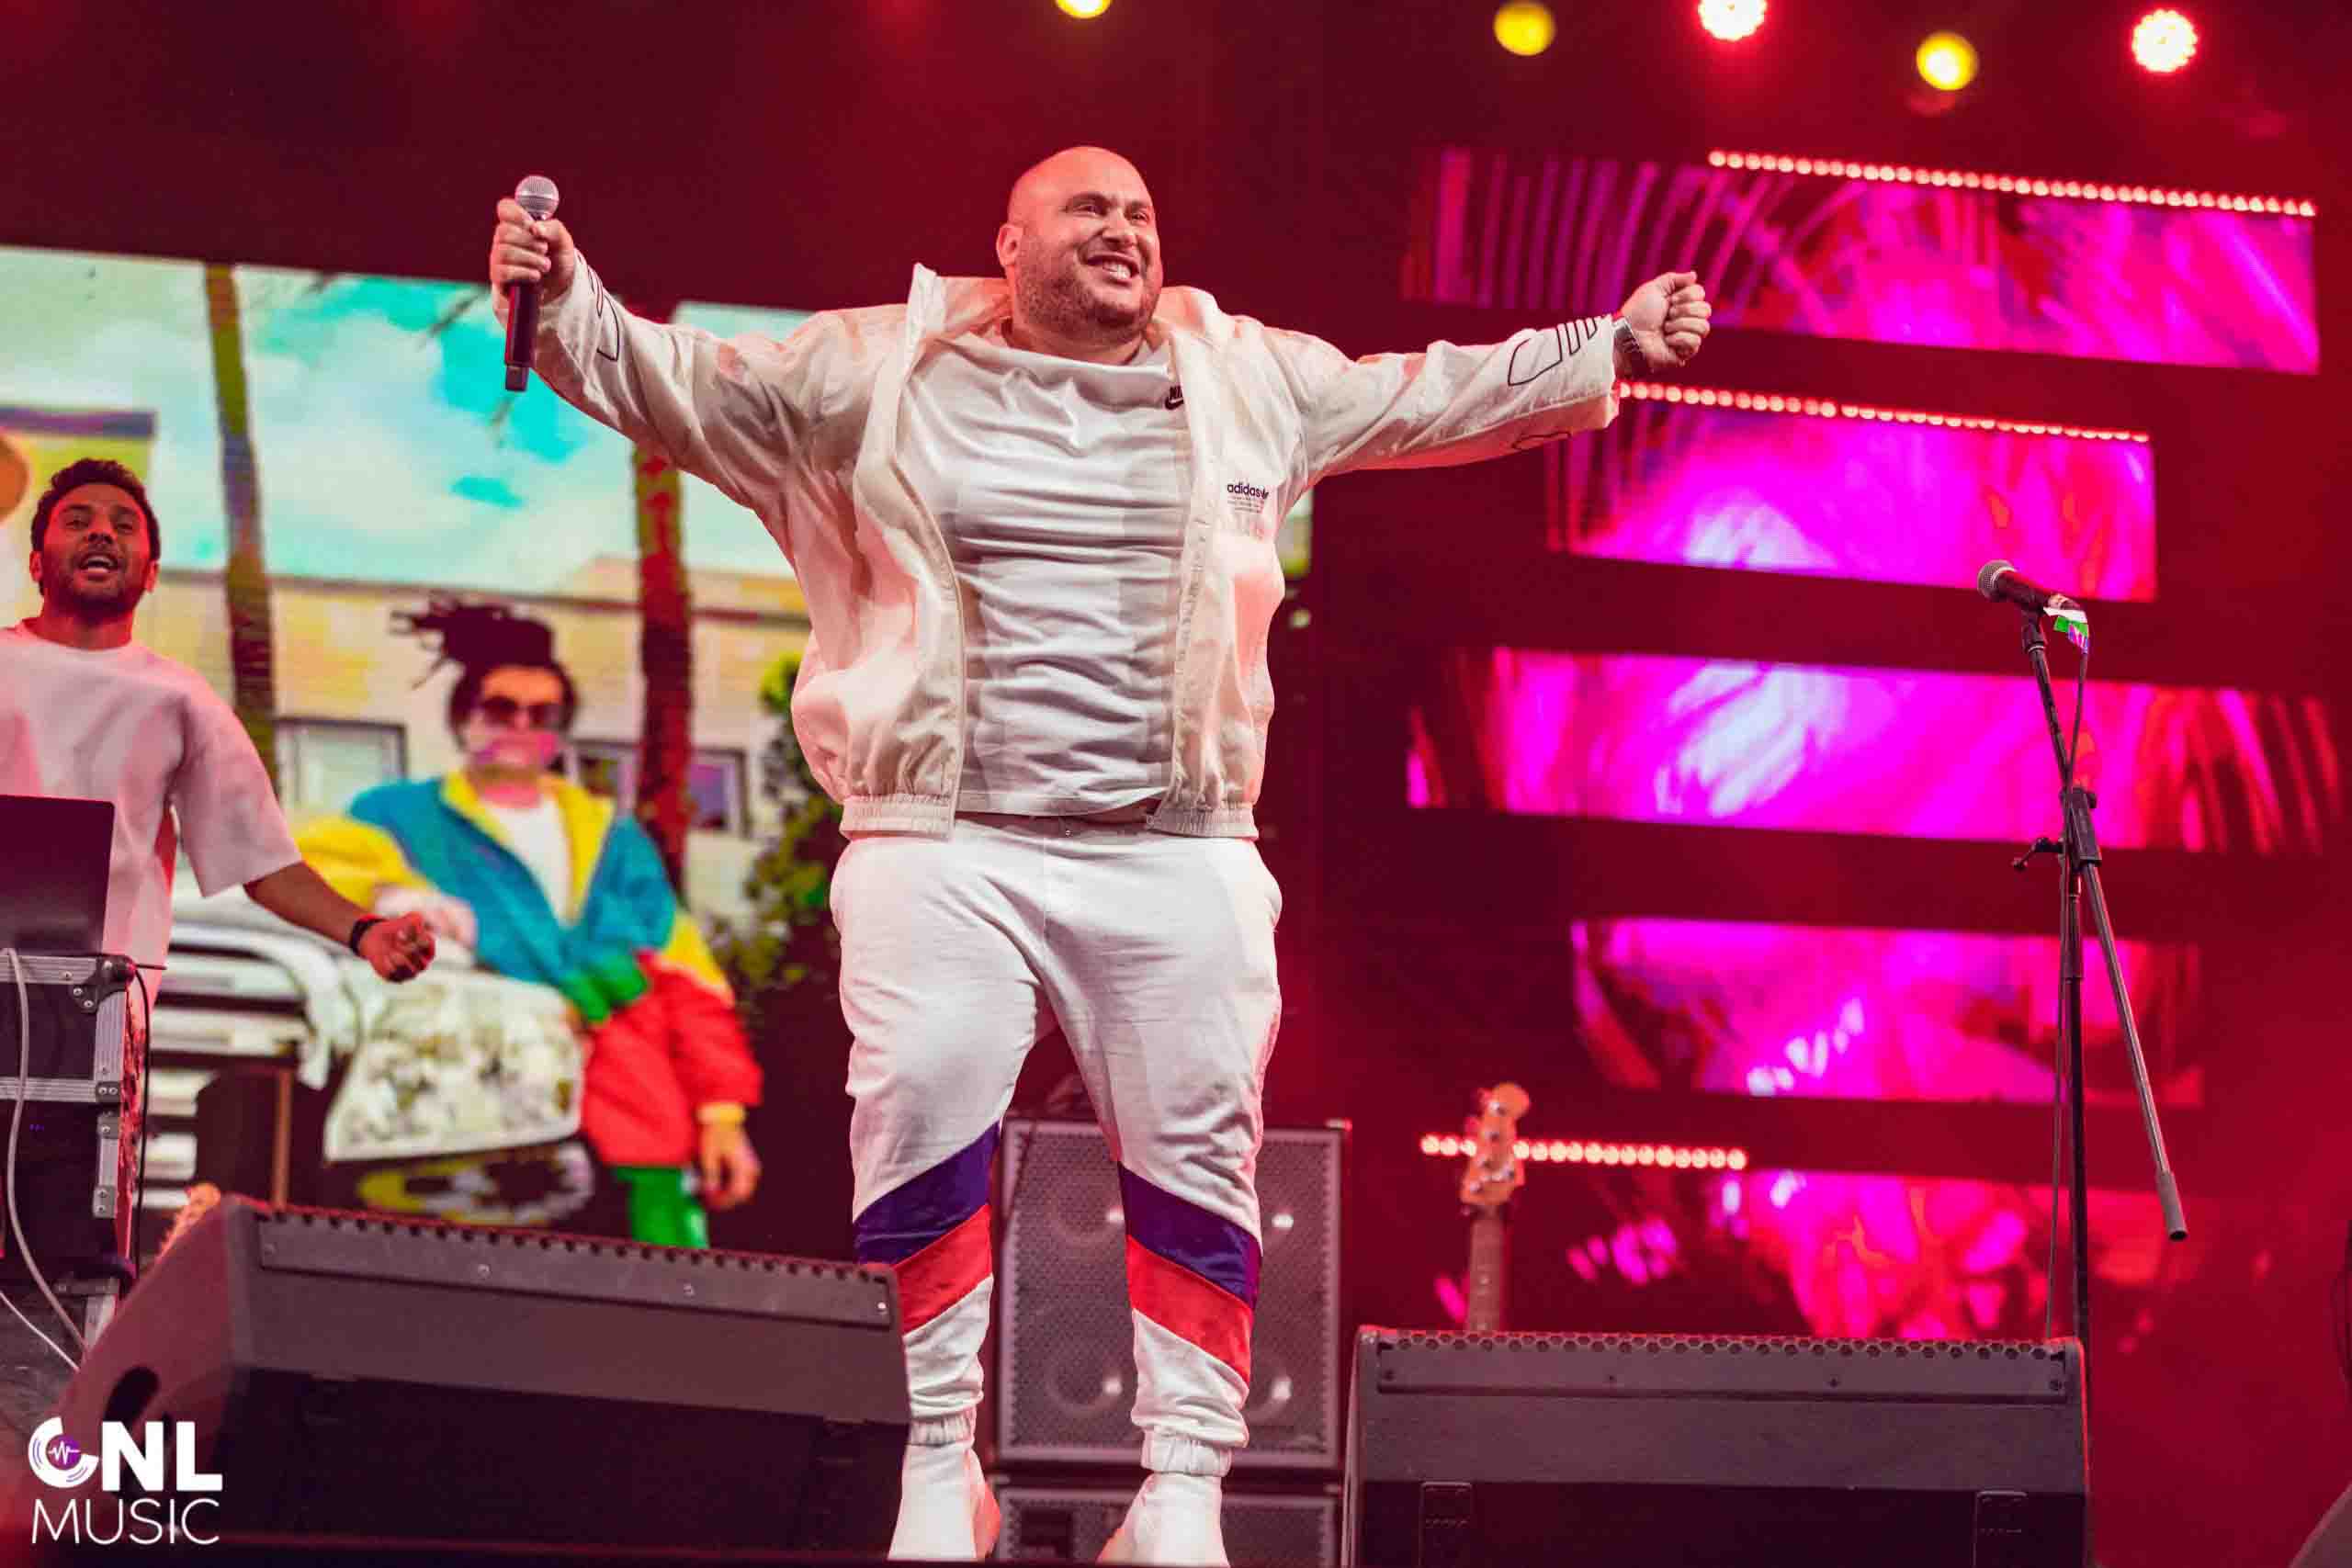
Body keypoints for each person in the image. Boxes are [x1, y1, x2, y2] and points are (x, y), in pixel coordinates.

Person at [487, 145, 1710, 1564]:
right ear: (1007, 247)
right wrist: (562, 293)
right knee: (916, 1114)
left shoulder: (1244, 373)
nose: (1125, 228)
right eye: (1089, 208)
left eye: (1141, 211)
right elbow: (677, 379)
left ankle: (1181, 1486)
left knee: (1203, 1151)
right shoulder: (880, 367)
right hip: (944, 835)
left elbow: (1423, 392)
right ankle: (936, 1461)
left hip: (1175, 844)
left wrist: (1602, 346)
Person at [0, 459, 437, 1258]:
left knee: (66, 1266)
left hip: (96, 1026)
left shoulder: (181, 701)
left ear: (150, 573)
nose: (102, 533)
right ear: (36, 562)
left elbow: (264, 860)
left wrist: (364, 930)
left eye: (124, 525)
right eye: (78, 520)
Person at [297, 600, 763, 1246]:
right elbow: (304, 867)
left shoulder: (615, 839)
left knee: (653, 1295)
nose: (520, 725)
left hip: (635, 1122)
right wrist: (387, 889)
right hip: (467, 1127)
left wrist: (721, 1114)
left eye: (541, 715)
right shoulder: (399, 817)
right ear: (463, 718)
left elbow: (690, 983)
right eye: (500, 708)